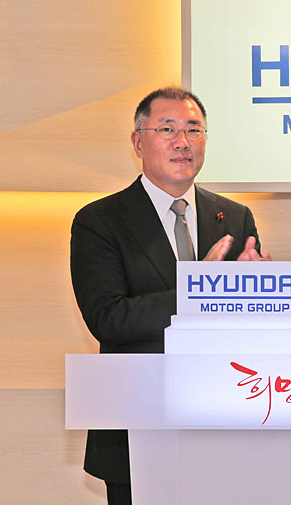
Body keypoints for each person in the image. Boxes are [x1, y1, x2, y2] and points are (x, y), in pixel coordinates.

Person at [70, 87, 271, 504]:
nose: (182, 141)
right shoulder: (99, 220)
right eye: (167, 129)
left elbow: (245, 321)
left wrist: (259, 292)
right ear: (138, 142)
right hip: (137, 419)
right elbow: (108, 318)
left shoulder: (234, 217)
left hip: (221, 415)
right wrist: (200, 290)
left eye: (193, 129)